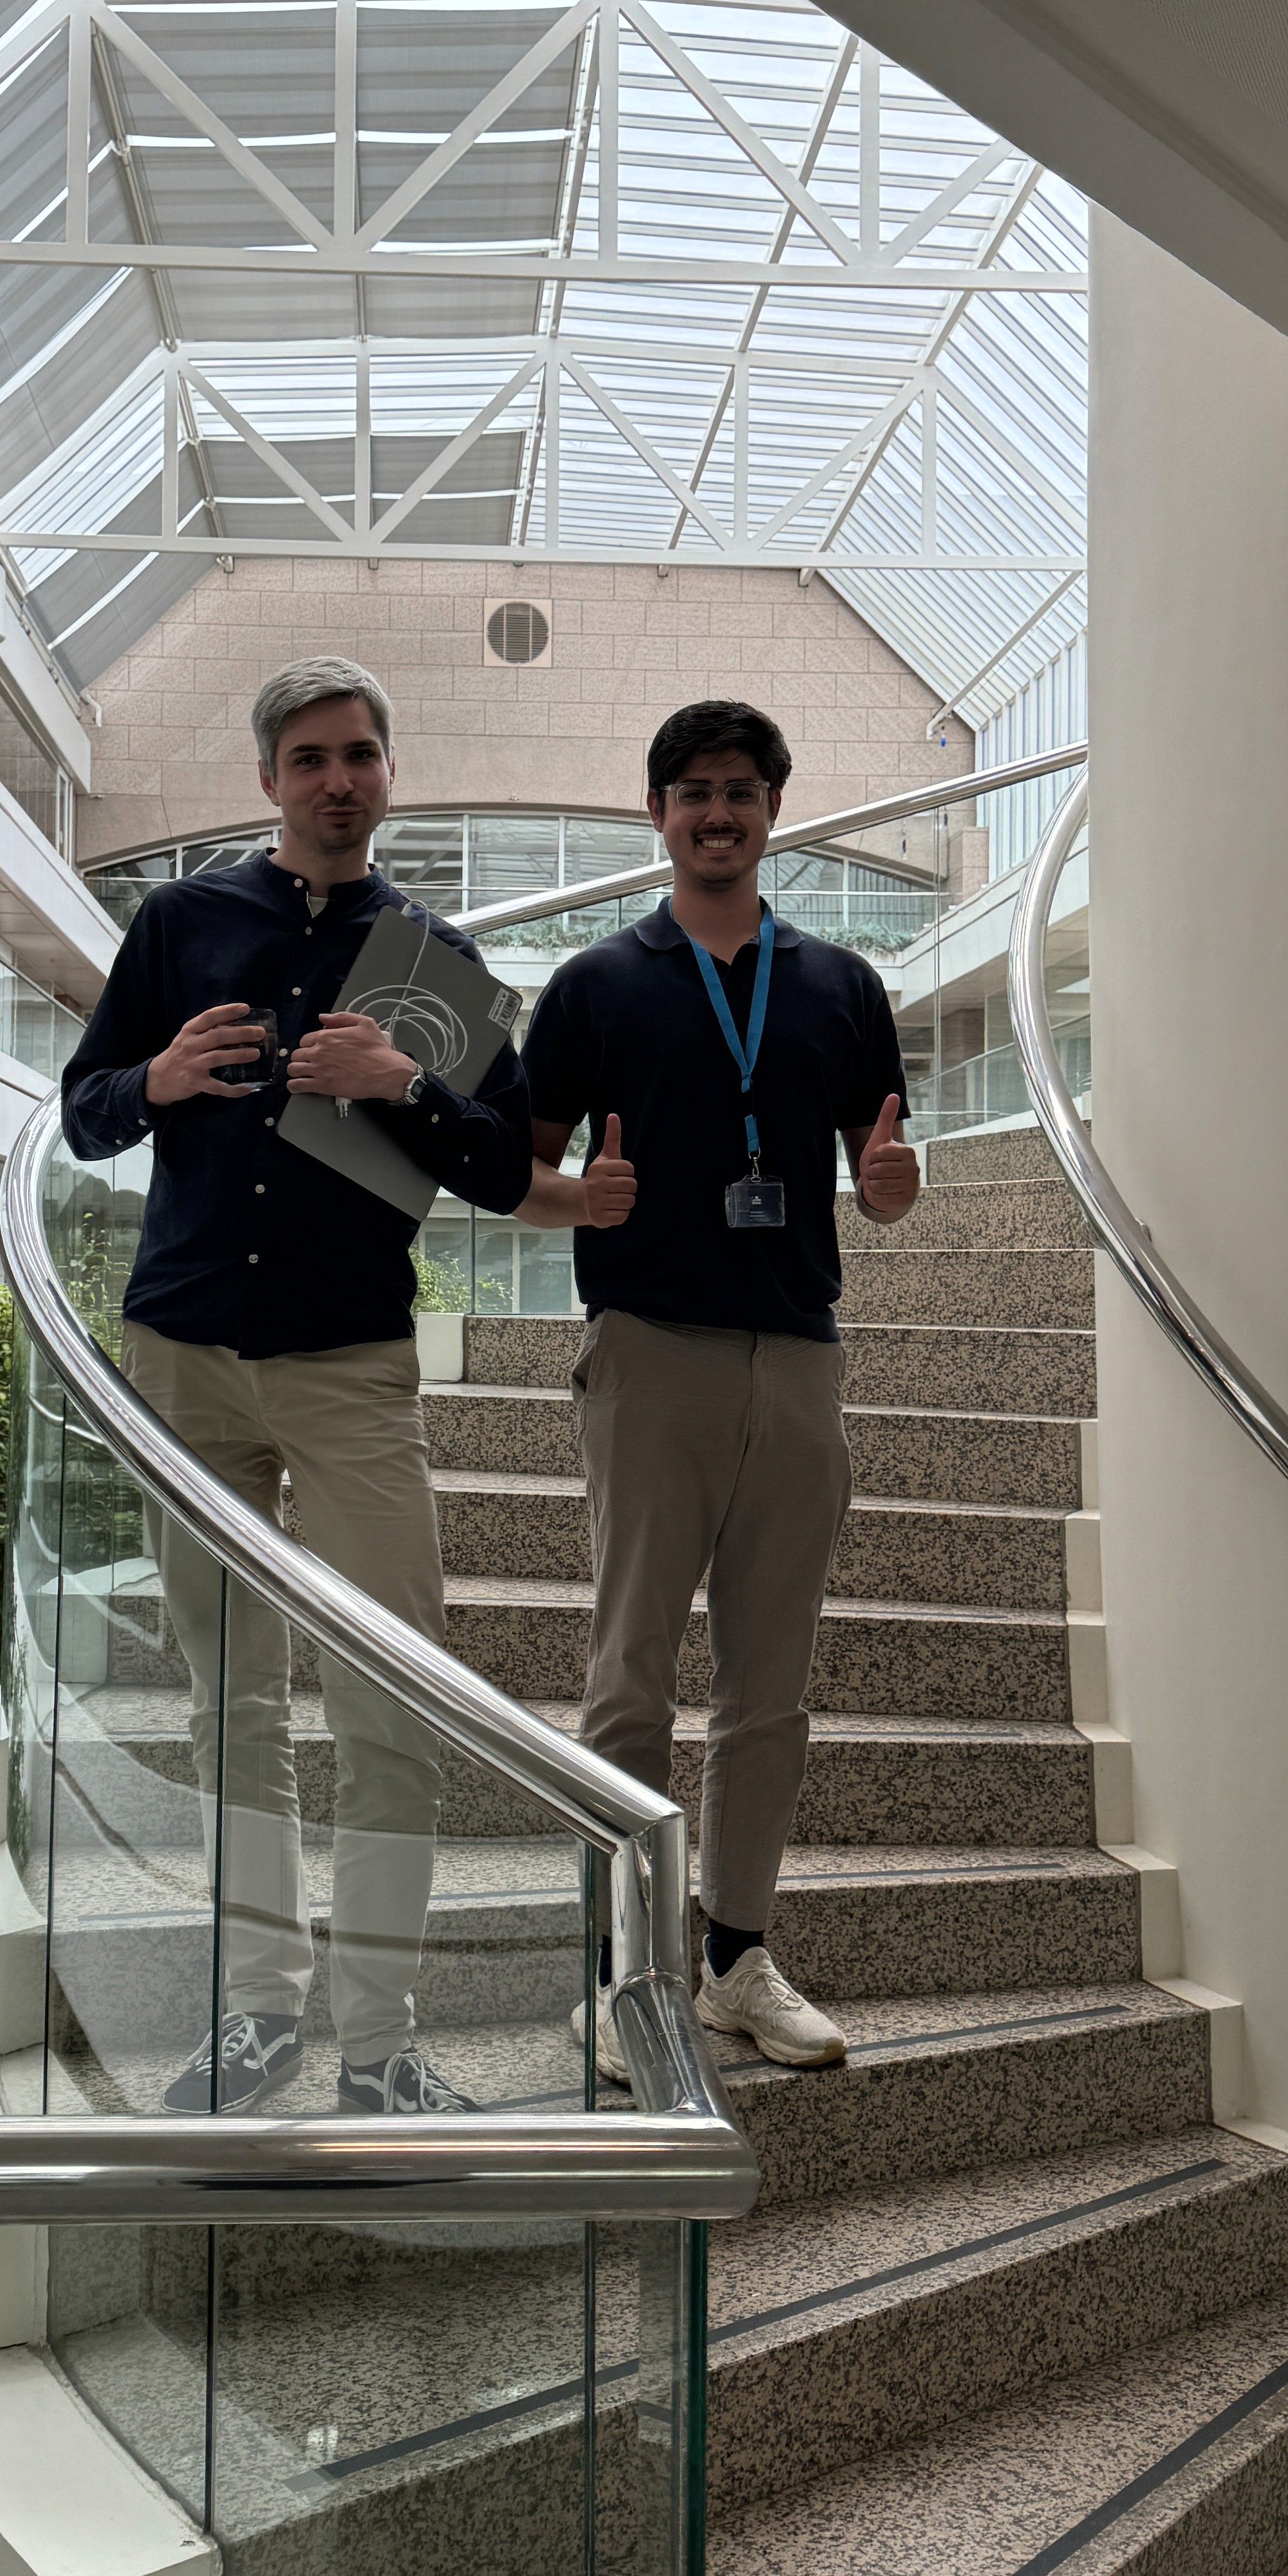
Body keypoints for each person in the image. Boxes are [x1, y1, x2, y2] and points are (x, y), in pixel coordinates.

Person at [61, 658, 534, 2118]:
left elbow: (506, 1172)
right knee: (234, 1709)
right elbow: (82, 1114)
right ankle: (258, 2015)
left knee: (392, 1702)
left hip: (348, 1366)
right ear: (269, 779)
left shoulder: (436, 959)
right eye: (313, 758)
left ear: (390, 775)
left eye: (362, 755)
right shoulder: (180, 924)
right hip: (187, 1357)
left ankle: (380, 2047)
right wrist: (157, 1081)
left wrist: (407, 1085)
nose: (340, 780)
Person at [519, 699, 921, 2073]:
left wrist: (890, 1188)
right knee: (629, 1679)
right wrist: (578, 1199)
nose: (717, 813)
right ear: (658, 814)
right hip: (651, 1352)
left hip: (799, 1356)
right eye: (692, 791)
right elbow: (522, 1169)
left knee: (772, 1688)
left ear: (772, 812)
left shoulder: (840, 985)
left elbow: (878, 1176)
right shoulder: (595, 984)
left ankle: (737, 1959)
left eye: (741, 790)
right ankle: (625, 1974)